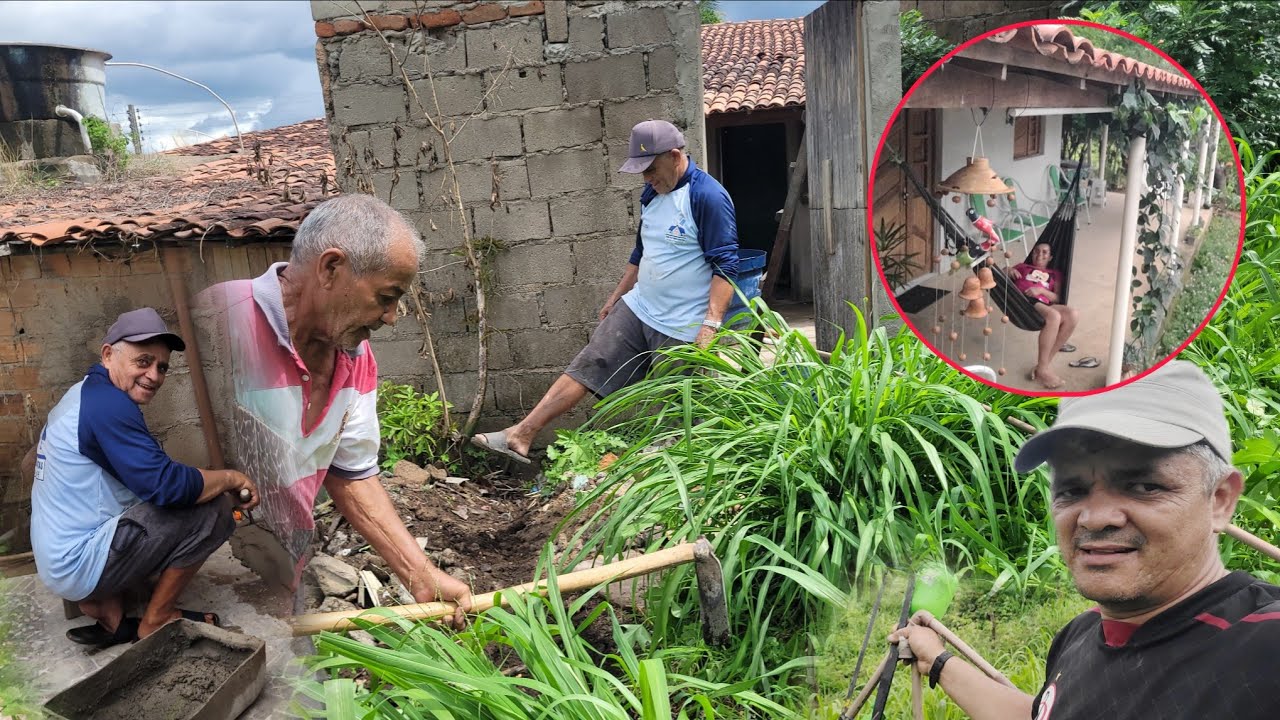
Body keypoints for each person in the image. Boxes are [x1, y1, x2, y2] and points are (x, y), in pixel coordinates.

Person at [890, 361, 1280, 719]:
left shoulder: (1263, 648)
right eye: (1072, 491)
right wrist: (938, 659)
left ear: (1220, 500)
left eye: (1144, 485)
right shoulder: (1079, 635)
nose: (1094, 518)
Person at [196, 193, 471, 626]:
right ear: (330, 268)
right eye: (387, 296)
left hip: (272, 589)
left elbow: (351, 472)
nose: (391, 317)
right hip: (190, 586)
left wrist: (421, 575)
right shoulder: (213, 323)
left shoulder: (356, 359)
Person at [470, 119, 740, 463]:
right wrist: (616, 298)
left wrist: (710, 324)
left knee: (682, 412)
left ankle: (684, 484)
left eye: (651, 169)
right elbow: (642, 252)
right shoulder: (652, 194)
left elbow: (726, 268)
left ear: (675, 156)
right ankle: (519, 435)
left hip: (682, 326)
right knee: (590, 362)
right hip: (640, 307)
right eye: (641, 172)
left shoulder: (707, 197)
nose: (646, 179)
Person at [29, 307, 260, 647]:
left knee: (172, 492)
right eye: (143, 361)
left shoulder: (85, 393)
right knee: (214, 510)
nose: (154, 375)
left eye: (162, 366)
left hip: (57, 554)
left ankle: (107, 610)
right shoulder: (109, 408)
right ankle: (156, 619)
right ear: (108, 354)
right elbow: (166, 486)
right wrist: (229, 478)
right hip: (77, 562)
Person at [1007, 242, 1079, 390]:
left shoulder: (1055, 274)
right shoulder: (1022, 267)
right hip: (1023, 301)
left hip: (1043, 304)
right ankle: (1043, 370)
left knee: (1073, 314)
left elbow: (1057, 298)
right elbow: (1000, 277)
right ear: (1031, 254)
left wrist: (1041, 291)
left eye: (1045, 252)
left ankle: (1042, 366)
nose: (1040, 254)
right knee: (1054, 316)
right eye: (1036, 251)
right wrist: (1007, 269)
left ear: (1050, 257)